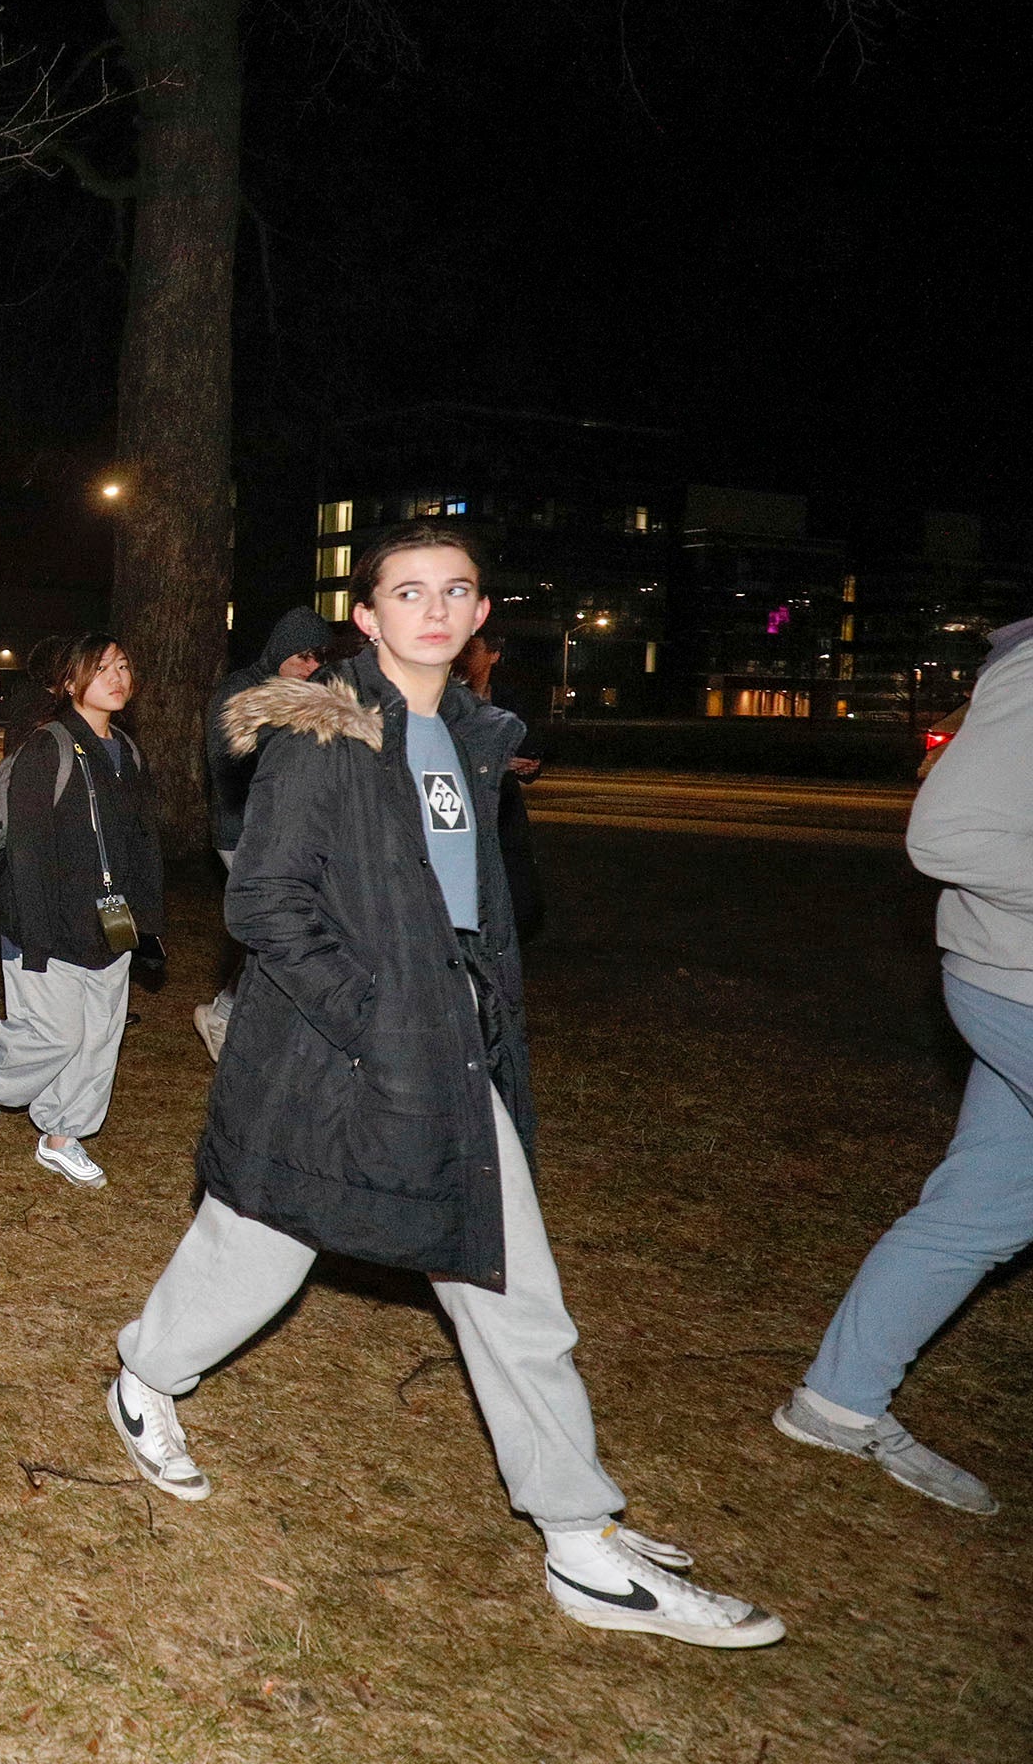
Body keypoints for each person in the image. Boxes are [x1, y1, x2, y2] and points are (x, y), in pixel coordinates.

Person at [103, 523, 782, 1649]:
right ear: (365, 618)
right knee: (261, 1241)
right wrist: (381, 1018)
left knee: (507, 1287)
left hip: (452, 1043)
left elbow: (469, 905)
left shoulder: (472, 737)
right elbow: (264, 904)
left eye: (455, 590)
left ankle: (578, 1537)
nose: (432, 606)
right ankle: (146, 1372)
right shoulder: (323, 734)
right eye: (406, 590)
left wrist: (470, 1013)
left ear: (476, 618)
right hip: (342, 1043)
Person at [771, 610, 1032, 1518]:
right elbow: (950, 834)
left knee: (985, 1205)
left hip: (1012, 976)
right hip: (1024, 983)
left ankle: (838, 1402)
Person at [0, 634, 164, 1186]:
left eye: (123, 665)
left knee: (99, 1039)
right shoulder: (46, 747)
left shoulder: (127, 752)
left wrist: (147, 922)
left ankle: (63, 1136)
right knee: (55, 1035)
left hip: (110, 922)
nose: (117, 677)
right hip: (44, 921)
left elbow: (141, 844)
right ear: (71, 682)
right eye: (101, 668)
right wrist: (34, 936)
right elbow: (27, 850)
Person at [195, 607, 331, 1058]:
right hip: (242, 833)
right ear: (280, 651)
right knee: (270, 929)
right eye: (303, 657)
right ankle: (228, 1013)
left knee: (274, 928)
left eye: (318, 659)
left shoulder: (303, 695)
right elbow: (227, 766)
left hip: (288, 834)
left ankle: (231, 1011)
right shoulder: (241, 692)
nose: (311, 667)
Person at [455, 629, 547, 944]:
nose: (466, 655)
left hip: (505, 810)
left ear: (493, 655)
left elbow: (529, 746)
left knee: (519, 890)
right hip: (465, 807)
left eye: (473, 649)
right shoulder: (450, 698)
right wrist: (495, 762)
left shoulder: (510, 700)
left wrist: (531, 766)